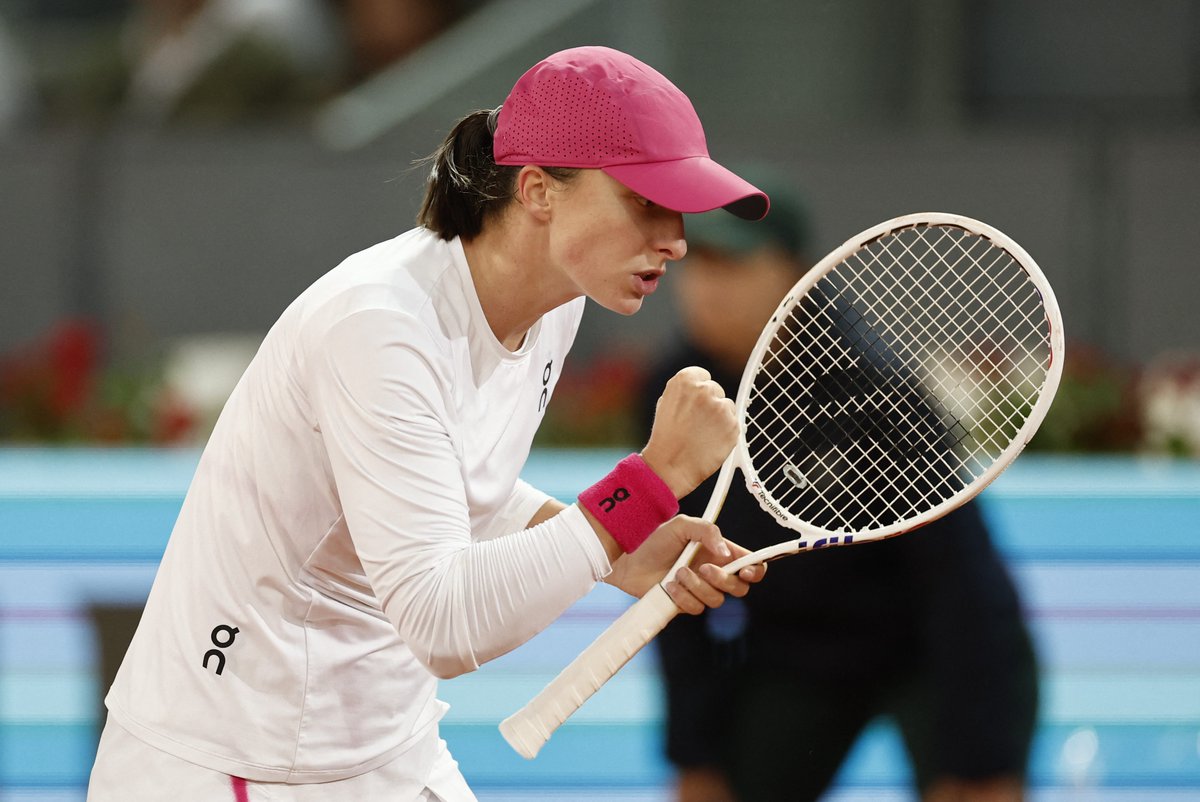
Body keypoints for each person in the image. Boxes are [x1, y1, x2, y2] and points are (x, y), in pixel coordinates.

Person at [86, 46, 769, 801]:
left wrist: (620, 551)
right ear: (539, 191)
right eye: (646, 200)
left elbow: (457, 489)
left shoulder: (557, 302)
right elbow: (445, 623)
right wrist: (647, 487)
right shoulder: (380, 325)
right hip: (238, 758)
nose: (675, 238)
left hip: (382, 744)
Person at [639, 178, 1040, 802]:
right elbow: (673, 578)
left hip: (926, 652)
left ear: (792, 273)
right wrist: (696, 750)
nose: (706, 288)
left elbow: (962, 583)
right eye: (699, 263)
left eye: (735, 263)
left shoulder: (880, 388)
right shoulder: (674, 390)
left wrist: (981, 754)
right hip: (796, 653)